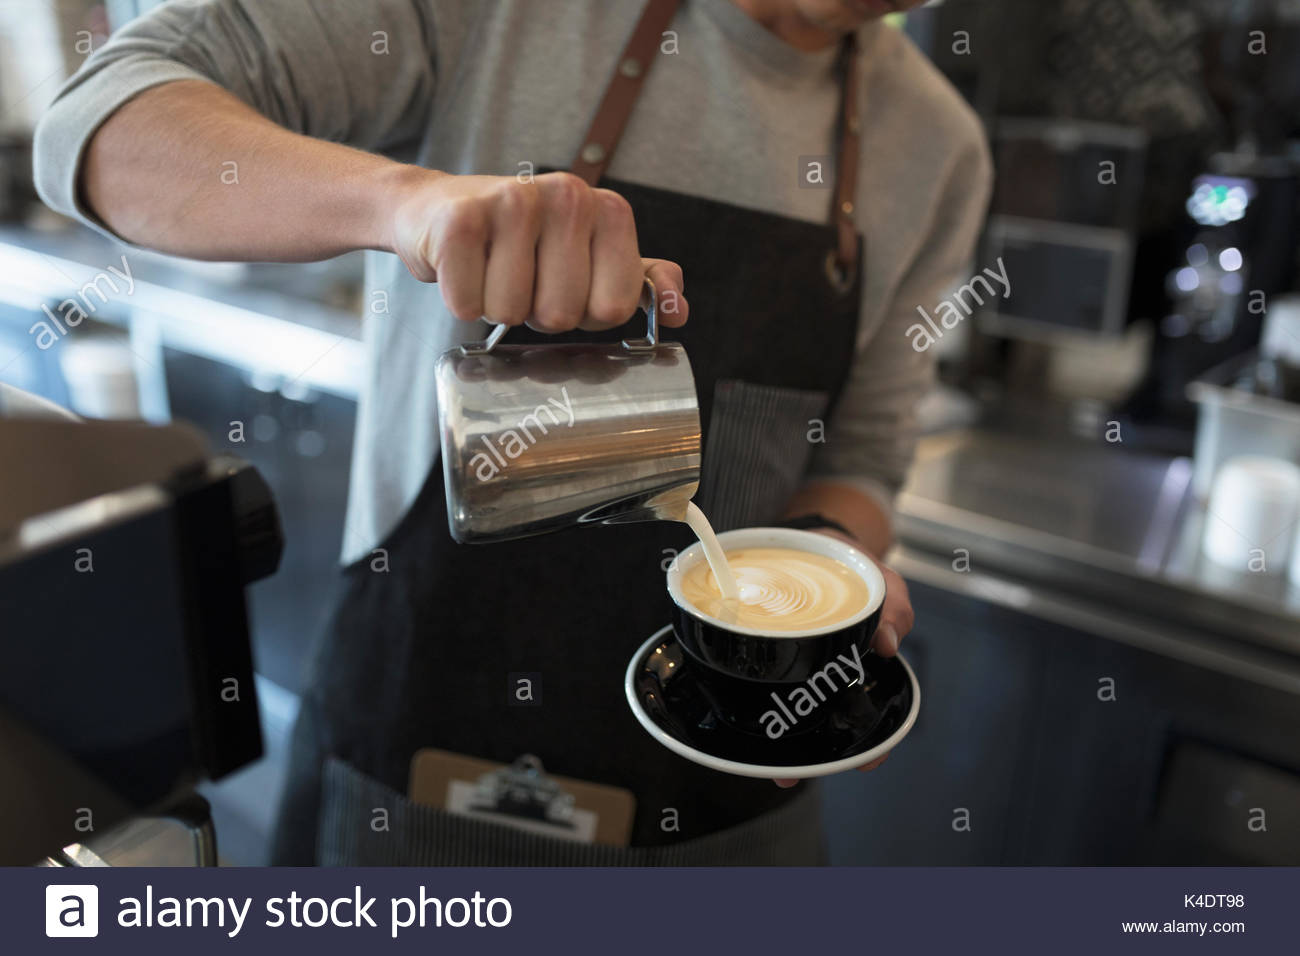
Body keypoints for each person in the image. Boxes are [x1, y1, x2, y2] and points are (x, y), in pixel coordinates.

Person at [34, 0, 991, 865]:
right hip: (425, 758)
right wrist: (403, 203)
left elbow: (863, 453)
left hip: (734, 798)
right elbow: (99, 124)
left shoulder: (938, 147)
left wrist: (829, 581)